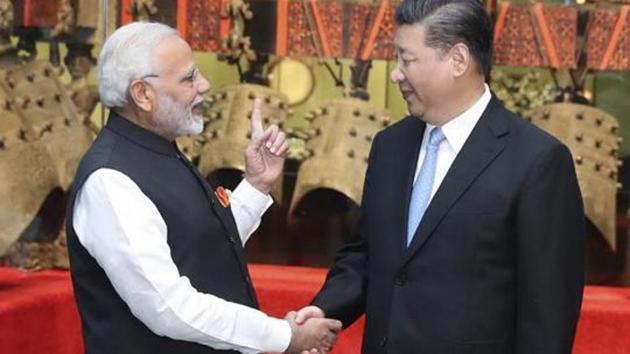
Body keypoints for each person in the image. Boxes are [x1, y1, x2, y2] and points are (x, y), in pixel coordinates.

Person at [294, 1, 586, 353]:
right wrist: (325, 307)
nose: (395, 73)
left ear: (458, 60)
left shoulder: (537, 161)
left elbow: (548, 312)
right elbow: (368, 255)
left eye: (407, 59)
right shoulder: (390, 146)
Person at [66, 22, 340, 354]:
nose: (204, 85)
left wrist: (256, 185)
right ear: (142, 94)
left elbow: (200, 246)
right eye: (189, 78)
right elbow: (168, 308)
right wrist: (283, 336)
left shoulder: (162, 150)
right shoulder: (110, 181)